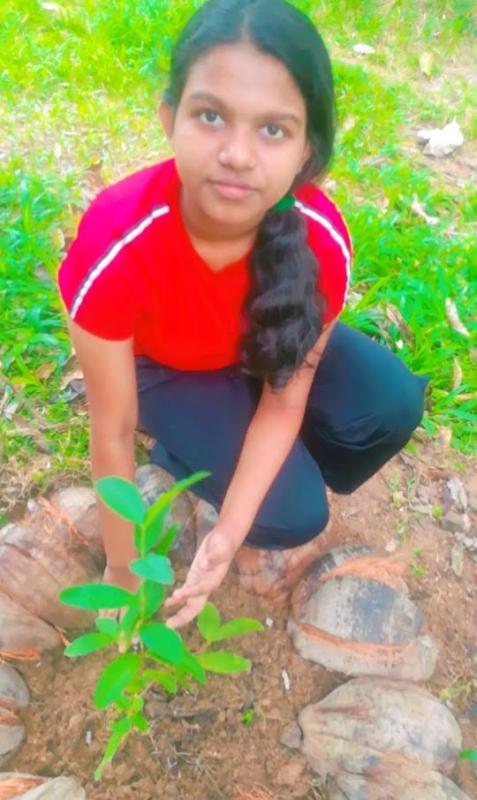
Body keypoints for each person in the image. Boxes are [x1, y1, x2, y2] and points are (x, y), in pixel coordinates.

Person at [57, 0, 427, 630]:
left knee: (389, 404)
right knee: (293, 513)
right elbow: (112, 430)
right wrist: (122, 568)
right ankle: (184, 454)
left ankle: (241, 467)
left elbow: (285, 402)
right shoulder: (117, 242)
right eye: (211, 116)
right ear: (169, 118)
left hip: (258, 346)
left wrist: (228, 534)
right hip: (163, 369)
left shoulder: (319, 242)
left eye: (273, 130)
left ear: (306, 149)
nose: (237, 154)